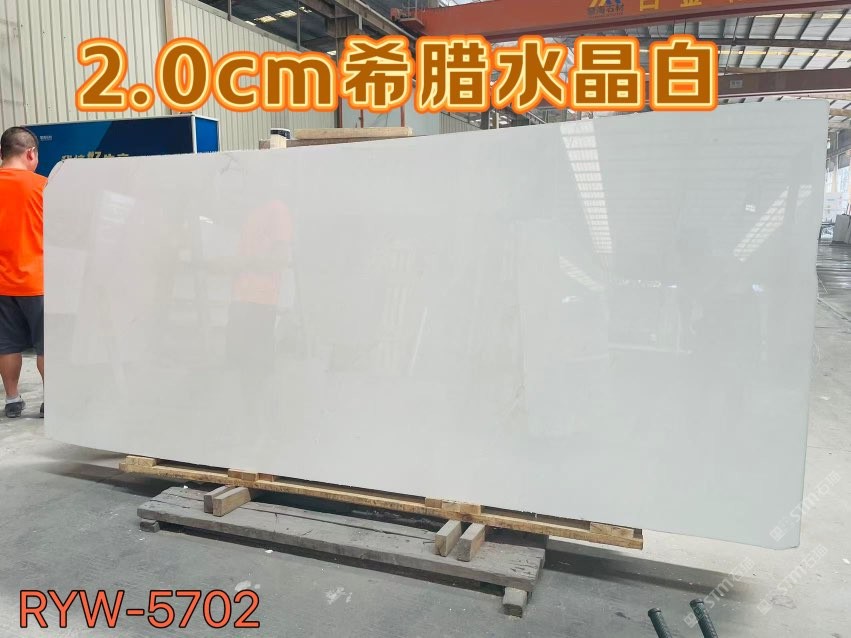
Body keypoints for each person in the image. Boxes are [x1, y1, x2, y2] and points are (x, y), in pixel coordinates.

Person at [0, 127, 47, 418]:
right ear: (30, 153)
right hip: (37, 281)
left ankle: (12, 399)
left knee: (7, 345)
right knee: (46, 346)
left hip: (2, 284)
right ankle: (51, 400)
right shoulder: (43, 186)